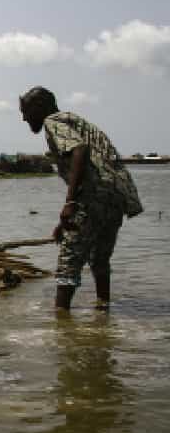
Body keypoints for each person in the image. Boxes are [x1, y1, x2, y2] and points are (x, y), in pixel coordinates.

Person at [19, 86, 142, 313]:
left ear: (39, 107)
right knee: (99, 259)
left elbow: (79, 151)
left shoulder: (53, 121)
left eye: (25, 111)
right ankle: (103, 311)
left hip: (94, 196)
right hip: (114, 197)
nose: (24, 118)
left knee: (69, 261)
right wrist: (63, 222)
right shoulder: (74, 121)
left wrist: (70, 203)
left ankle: (61, 323)